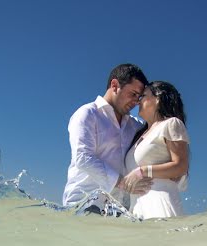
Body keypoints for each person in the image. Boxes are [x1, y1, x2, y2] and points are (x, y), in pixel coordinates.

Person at [62, 64, 152, 212]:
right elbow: (83, 158)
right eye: (133, 94)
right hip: (84, 204)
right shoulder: (87, 114)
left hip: (121, 209)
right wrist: (123, 183)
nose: (136, 102)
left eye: (139, 97)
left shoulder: (135, 125)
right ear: (115, 85)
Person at [120, 81, 189, 219]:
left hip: (160, 205)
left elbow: (181, 166)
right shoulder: (139, 135)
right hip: (136, 209)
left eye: (143, 96)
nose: (138, 102)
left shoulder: (171, 123)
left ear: (158, 99)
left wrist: (143, 171)